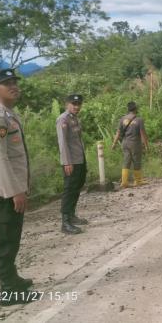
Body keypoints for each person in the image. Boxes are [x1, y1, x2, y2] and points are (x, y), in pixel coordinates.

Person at [0, 68, 37, 306]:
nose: (14, 86)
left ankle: (13, 279)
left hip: (13, 189)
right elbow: (1, 159)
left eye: (15, 82)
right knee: (5, 242)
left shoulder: (9, 115)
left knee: (12, 239)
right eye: (7, 83)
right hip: (4, 193)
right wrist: (15, 191)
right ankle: (7, 290)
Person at [56, 94, 88, 235]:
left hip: (79, 159)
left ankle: (72, 215)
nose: (76, 106)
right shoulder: (63, 119)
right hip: (71, 161)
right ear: (67, 104)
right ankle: (65, 222)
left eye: (78, 104)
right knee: (69, 190)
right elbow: (63, 143)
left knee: (77, 188)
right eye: (74, 104)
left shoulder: (74, 118)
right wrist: (67, 162)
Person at [111, 101, 149, 188]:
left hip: (125, 143)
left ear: (128, 109)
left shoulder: (122, 119)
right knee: (136, 161)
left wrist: (114, 143)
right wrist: (146, 145)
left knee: (126, 161)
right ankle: (138, 181)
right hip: (135, 143)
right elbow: (142, 133)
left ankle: (124, 182)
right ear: (136, 109)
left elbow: (118, 132)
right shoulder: (139, 120)